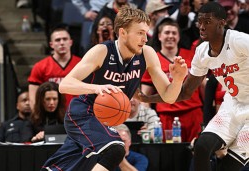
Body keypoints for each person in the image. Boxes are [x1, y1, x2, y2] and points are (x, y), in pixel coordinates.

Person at [41, 6, 187, 171]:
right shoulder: (101, 51)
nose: (145, 39)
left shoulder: (147, 54)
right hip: (83, 113)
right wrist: (97, 88)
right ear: (123, 32)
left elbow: (169, 97)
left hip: (105, 119)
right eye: (140, 33)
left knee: (69, 164)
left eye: (146, 33)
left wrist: (178, 79)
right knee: (116, 149)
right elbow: (65, 85)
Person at [139, 2, 249, 170]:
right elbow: (185, 92)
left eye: (208, 22)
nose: (202, 27)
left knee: (228, 167)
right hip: (232, 105)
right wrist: (148, 98)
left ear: (221, 23)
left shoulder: (239, 40)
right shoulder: (202, 51)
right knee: (202, 146)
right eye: (200, 22)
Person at [142, 18, 204, 142]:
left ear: (179, 37)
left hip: (193, 113)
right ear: (159, 36)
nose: (170, 36)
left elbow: (202, 86)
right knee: (170, 156)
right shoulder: (152, 60)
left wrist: (208, 111)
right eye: (167, 32)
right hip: (166, 116)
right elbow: (145, 96)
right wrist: (147, 121)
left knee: (196, 154)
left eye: (174, 33)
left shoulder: (191, 56)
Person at [28, 24, 81, 110]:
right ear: (51, 44)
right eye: (57, 40)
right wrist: (37, 117)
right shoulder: (40, 66)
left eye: (65, 39)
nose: (62, 43)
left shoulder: (82, 64)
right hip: (51, 117)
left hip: (77, 114)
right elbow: (33, 97)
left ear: (70, 42)